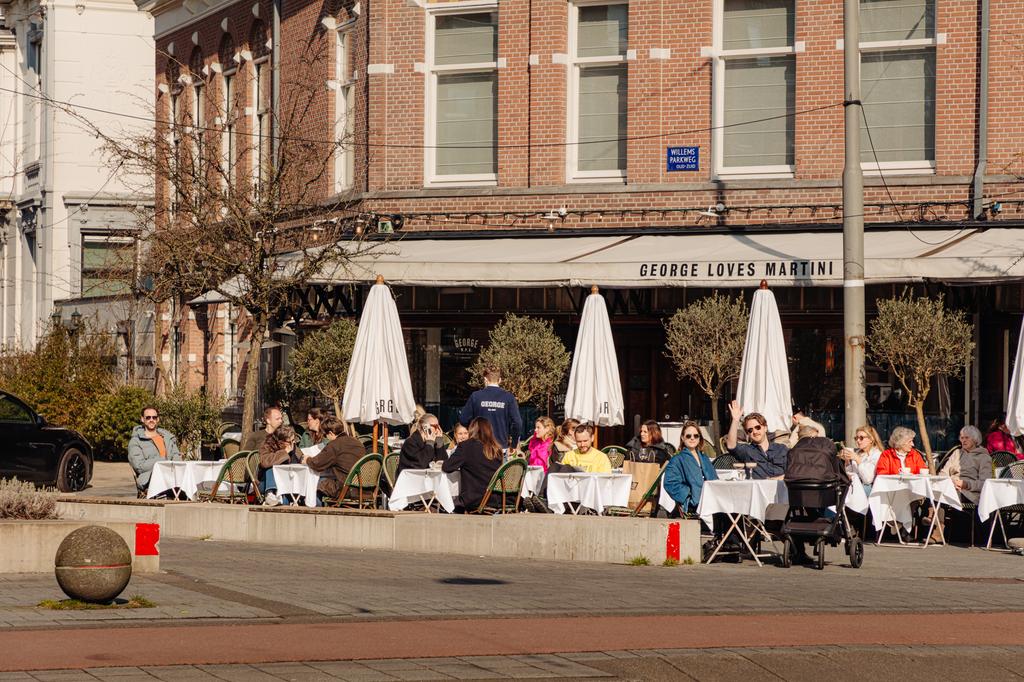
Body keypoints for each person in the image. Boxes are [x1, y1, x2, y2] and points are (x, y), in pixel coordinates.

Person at [443, 417, 504, 512]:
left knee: (447, 505)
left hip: (474, 499)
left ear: (472, 430)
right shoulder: (496, 449)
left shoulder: (466, 446)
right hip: (496, 498)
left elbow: (447, 467)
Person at [459, 366, 523, 450]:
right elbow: (517, 423)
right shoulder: (509, 397)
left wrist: (474, 431)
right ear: (499, 380)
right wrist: (513, 444)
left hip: (479, 446)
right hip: (500, 447)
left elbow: (463, 419)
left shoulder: (476, 396)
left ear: (485, 379)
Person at [302, 416, 364, 502]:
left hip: (346, 488)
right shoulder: (357, 443)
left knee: (314, 484)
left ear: (331, 433)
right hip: (364, 488)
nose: (325, 437)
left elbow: (317, 464)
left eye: (325, 435)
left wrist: (307, 459)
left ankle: (316, 512)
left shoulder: (334, 445)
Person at [662, 421, 718, 514]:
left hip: (711, 501)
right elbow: (670, 483)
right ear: (683, 438)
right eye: (688, 436)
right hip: (694, 505)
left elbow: (714, 479)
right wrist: (688, 495)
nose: (692, 438)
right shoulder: (677, 460)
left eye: (696, 436)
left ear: (699, 438)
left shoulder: (705, 458)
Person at [725, 400, 788, 479]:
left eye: (758, 427)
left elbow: (791, 472)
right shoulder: (747, 450)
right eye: (750, 430)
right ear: (747, 434)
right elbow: (731, 445)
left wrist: (775, 479)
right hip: (757, 489)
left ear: (765, 428)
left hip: (780, 488)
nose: (754, 432)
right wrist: (735, 420)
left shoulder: (781, 449)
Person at [127, 406, 182, 492]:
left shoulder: (167, 437)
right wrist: (163, 462)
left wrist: (177, 464)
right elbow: (140, 467)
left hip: (173, 476)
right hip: (149, 479)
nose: (151, 420)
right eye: (148, 417)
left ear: (158, 419)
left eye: (154, 417)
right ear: (142, 419)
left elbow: (176, 455)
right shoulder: (135, 442)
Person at [940, 425, 992, 505]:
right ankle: (931, 516)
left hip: (969, 493)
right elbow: (943, 473)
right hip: (951, 486)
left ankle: (932, 516)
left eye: (967, 438)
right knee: (931, 492)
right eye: (962, 438)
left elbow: (985, 483)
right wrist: (948, 482)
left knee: (944, 496)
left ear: (975, 440)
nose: (963, 440)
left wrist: (966, 484)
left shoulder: (983, 457)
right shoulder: (957, 453)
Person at [258, 425, 301, 504]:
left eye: (294, 440)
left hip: (287, 483)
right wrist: (284, 453)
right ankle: (270, 494)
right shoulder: (267, 445)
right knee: (271, 468)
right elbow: (265, 462)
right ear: (281, 442)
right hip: (266, 483)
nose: (293, 442)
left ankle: (280, 500)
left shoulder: (293, 446)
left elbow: (301, 459)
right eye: (290, 441)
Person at [838, 425, 884, 493]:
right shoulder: (858, 452)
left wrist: (857, 459)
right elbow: (851, 474)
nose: (858, 441)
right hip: (855, 486)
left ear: (871, 439)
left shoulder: (877, 454)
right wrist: (847, 461)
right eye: (856, 438)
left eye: (861, 438)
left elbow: (868, 480)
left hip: (869, 488)